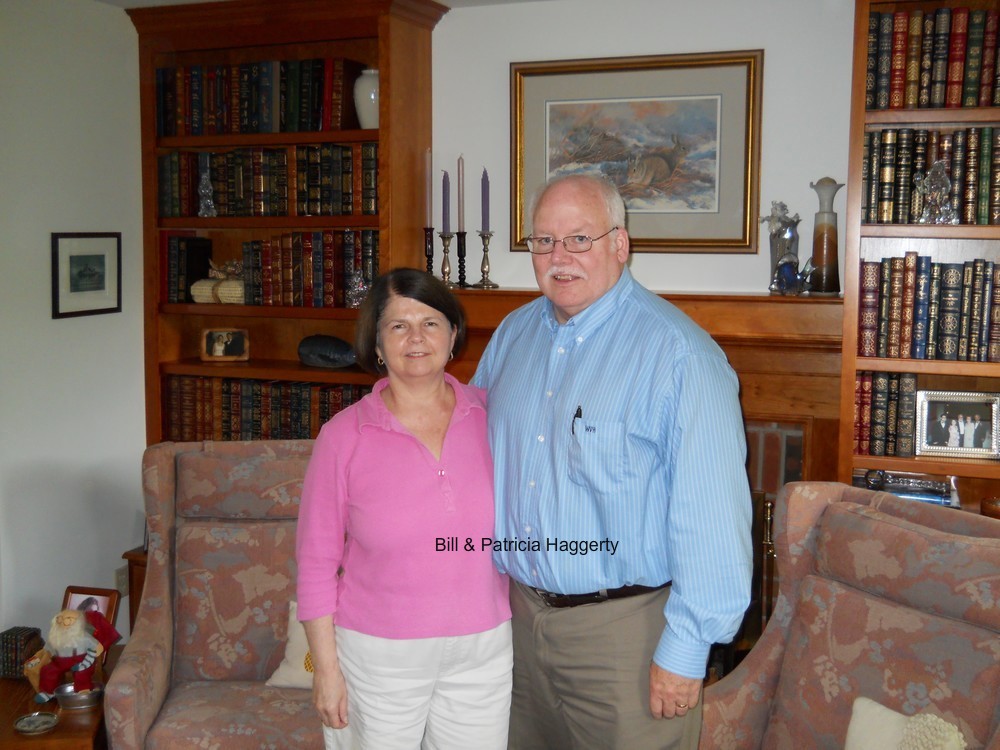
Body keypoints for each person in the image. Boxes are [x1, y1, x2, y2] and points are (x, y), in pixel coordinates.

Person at [472, 174, 753, 749]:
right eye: (544, 241)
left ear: (620, 244)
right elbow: (465, 452)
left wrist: (686, 649)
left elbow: (713, 519)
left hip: (626, 638)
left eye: (580, 238)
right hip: (516, 621)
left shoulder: (680, 356)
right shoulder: (512, 335)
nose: (560, 257)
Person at [296, 268, 512, 749]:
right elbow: (315, 564)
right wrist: (326, 671)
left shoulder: (495, 417)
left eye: (430, 323)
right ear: (377, 343)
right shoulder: (343, 437)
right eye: (398, 325)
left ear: (453, 335)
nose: (416, 337)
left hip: (483, 649)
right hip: (379, 655)